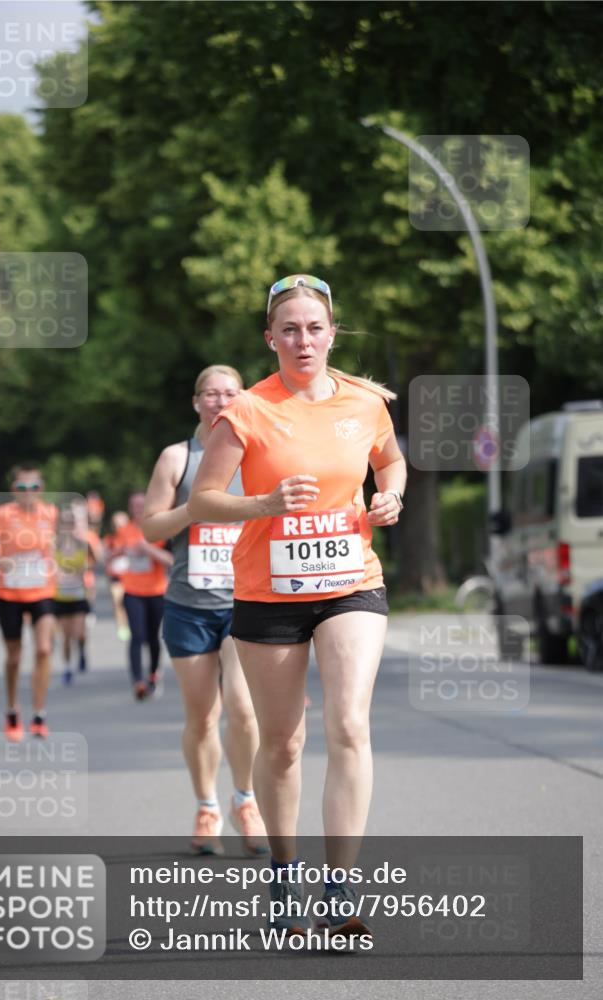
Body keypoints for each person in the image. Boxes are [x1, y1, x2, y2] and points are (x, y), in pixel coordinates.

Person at [188, 275, 407, 936]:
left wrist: (389, 496)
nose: (303, 339)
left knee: (348, 724)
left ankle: (338, 888)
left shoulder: (365, 402)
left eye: (314, 327)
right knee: (281, 745)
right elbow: (202, 500)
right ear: (270, 339)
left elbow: (390, 462)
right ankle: (283, 868)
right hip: (268, 593)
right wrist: (262, 504)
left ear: (332, 333)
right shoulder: (246, 411)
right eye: (289, 329)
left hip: (350, 583)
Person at [142, 365, 268, 858]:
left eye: (230, 394)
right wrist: (196, 509)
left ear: (243, 400)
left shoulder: (256, 453)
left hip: (246, 602)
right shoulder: (178, 457)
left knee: (242, 707)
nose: (220, 401)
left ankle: (246, 800)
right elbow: (151, 529)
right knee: (202, 715)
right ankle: (206, 805)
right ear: (196, 402)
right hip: (189, 605)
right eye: (211, 394)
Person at [0, 463, 58, 740]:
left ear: (41, 489)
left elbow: (58, 544)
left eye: (33, 487)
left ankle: (39, 713)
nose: (28, 492)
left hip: (42, 589)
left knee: (44, 649)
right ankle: (12, 710)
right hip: (9, 592)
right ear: (13, 490)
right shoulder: (1, 515)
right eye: (22, 487)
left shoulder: (50, 513)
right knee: (14, 657)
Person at [105, 492, 173, 700]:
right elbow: (107, 557)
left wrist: (148, 550)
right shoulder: (124, 531)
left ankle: (152, 673)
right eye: (134, 505)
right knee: (137, 636)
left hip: (156, 591)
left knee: (153, 637)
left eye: (142, 505)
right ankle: (138, 681)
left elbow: (171, 560)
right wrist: (121, 551)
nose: (138, 509)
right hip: (132, 591)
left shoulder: (158, 530)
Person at [52, 502, 103, 684]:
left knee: (79, 633)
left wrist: (86, 562)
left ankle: (81, 650)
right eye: (65, 522)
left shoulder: (83, 543)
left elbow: (97, 561)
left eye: (71, 522)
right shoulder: (55, 545)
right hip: (61, 595)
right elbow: (49, 566)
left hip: (79, 593)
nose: (69, 526)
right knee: (65, 635)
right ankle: (67, 668)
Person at [103, 511, 132, 641]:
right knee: (118, 602)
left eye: (121, 524)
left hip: (131, 576)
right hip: (116, 576)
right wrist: (118, 552)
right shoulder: (109, 539)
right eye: (116, 524)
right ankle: (122, 626)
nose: (119, 527)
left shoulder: (133, 536)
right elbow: (105, 557)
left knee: (129, 603)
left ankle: (131, 623)